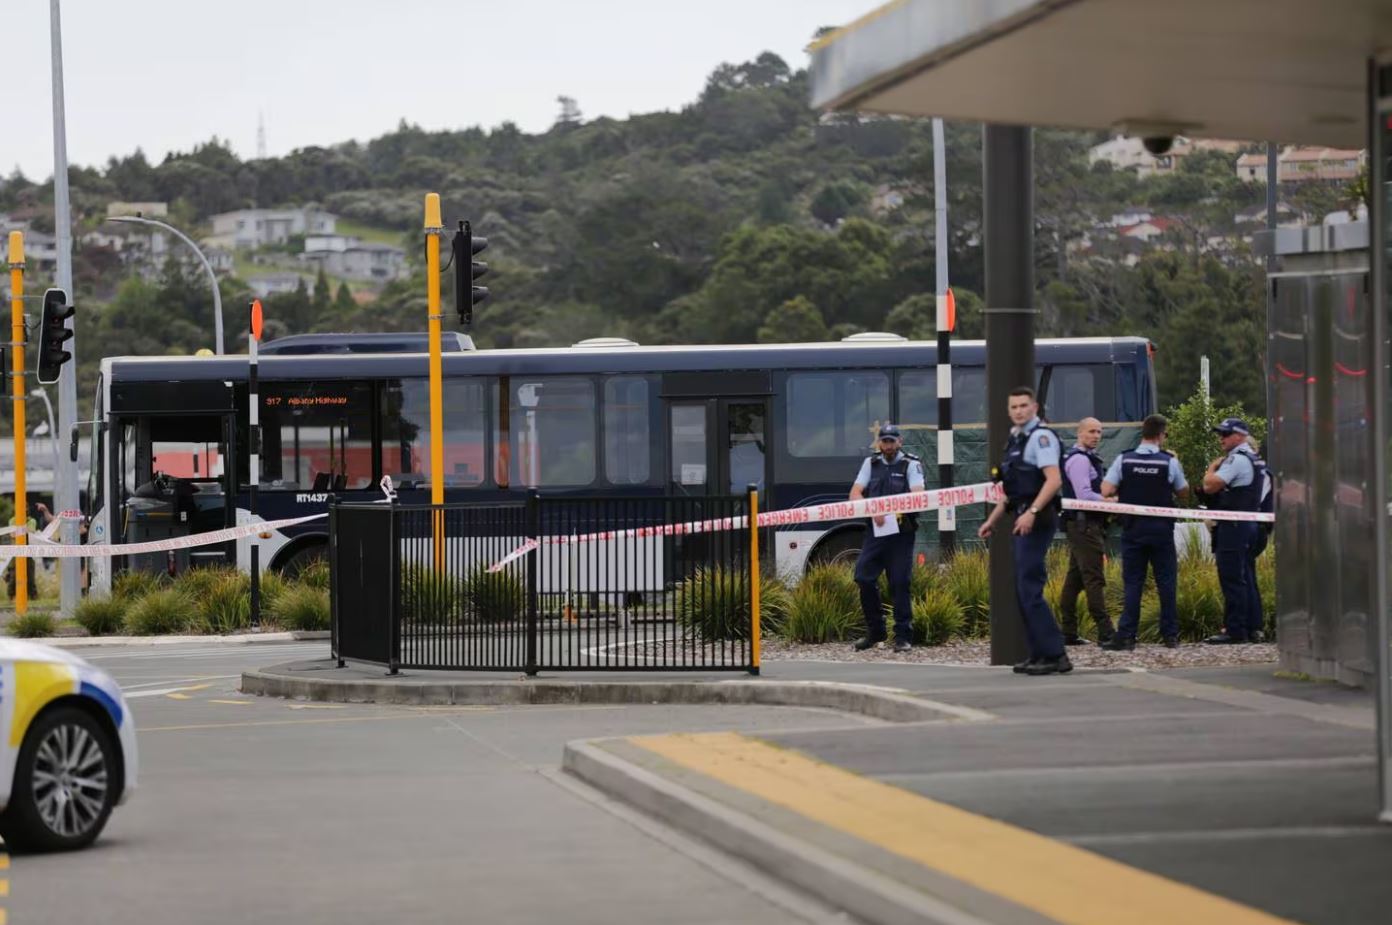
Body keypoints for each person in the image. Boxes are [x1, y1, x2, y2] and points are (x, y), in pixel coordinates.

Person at [978, 387, 1070, 675]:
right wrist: (992, 520)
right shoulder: (1017, 439)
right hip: (1021, 515)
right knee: (1023, 589)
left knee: (1030, 588)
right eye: (1013, 406)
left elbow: (1052, 480)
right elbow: (1013, 491)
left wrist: (1032, 512)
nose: (1018, 411)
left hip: (1037, 517)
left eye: (1023, 406)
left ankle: (1055, 655)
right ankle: (1039, 654)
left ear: (1035, 407)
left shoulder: (1040, 438)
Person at [1100, 414, 1189, 650]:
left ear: (1143, 433)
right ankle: (1170, 636)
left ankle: (1127, 636)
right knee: (1167, 583)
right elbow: (1183, 492)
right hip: (1161, 530)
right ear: (1161, 435)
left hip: (1133, 530)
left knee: (1133, 584)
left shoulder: (1124, 460)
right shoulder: (1169, 461)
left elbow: (1106, 489)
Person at [849, 424, 926, 653]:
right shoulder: (870, 463)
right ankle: (876, 631)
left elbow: (918, 495)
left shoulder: (911, 464)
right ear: (879, 442)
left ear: (900, 441)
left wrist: (891, 510)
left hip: (901, 533)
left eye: (892, 441)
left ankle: (903, 636)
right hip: (876, 532)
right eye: (885, 441)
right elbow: (855, 493)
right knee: (863, 576)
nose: (888, 445)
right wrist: (872, 510)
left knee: (899, 583)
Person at [1201, 418, 1267, 644]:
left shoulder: (1237, 460)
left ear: (1239, 436)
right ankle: (1252, 627)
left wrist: (1210, 469)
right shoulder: (1254, 458)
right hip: (1249, 524)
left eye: (1226, 434)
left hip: (1234, 526)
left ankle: (1235, 629)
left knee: (1231, 578)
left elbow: (1210, 485)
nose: (1222, 438)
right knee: (1246, 577)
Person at [1057, 417, 1115, 645]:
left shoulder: (1087, 458)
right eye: (1091, 431)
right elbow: (1084, 495)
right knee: (1094, 578)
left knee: (1075, 580)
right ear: (1079, 433)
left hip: (1084, 525)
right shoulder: (1080, 460)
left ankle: (1068, 632)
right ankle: (1107, 632)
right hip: (1085, 525)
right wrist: (1111, 501)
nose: (1096, 436)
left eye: (1099, 431)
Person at [4, 502, 52, 602]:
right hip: (15, 553)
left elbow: (31, 532)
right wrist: (24, 530)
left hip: (28, 552)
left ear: (27, 509)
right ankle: (11, 596)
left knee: (30, 577)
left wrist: (20, 530)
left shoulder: (31, 520)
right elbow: (12, 534)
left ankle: (33, 596)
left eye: (24, 508)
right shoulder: (12, 520)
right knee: (13, 577)